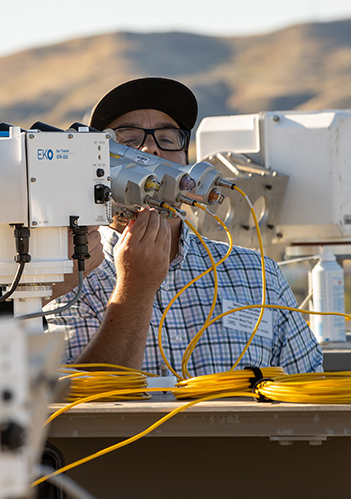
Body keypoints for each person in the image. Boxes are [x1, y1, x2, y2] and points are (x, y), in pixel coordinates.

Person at [43, 77, 323, 376]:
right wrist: (134, 289)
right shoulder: (66, 277)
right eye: (127, 141)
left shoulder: (258, 275)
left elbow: (308, 386)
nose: (150, 150)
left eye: (167, 139)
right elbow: (74, 404)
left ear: (186, 161)